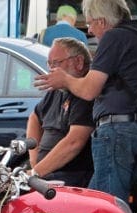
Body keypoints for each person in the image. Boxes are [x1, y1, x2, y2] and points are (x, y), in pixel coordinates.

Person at [35, 0, 137, 201]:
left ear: (102, 21)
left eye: (90, 23)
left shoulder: (113, 37)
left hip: (117, 131)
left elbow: (89, 90)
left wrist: (65, 79)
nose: (89, 30)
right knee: (95, 202)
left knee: (105, 204)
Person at [27, 37, 93, 187]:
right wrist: (34, 161)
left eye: (56, 63)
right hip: (45, 173)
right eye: (49, 63)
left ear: (79, 62)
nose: (51, 69)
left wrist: (35, 172)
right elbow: (34, 117)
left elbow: (74, 142)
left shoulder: (85, 93)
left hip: (69, 176)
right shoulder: (57, 90)